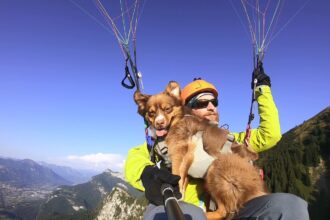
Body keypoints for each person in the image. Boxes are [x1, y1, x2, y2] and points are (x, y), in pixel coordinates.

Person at [124, 62, 309, 219]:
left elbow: (270, 135)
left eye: (214, 102)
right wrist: (147, 174)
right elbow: (135, 160)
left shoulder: (231, 140)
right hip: (187, 209)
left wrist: (262, 90)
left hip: (236, 211)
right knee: (171, 215)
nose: (211, 107)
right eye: (201, 103)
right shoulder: (160, 143)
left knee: (289, 206)